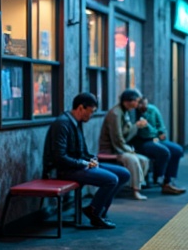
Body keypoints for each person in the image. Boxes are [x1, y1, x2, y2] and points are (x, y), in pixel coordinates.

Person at [43, 92, 130, 229]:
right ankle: (95, 213)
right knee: (111, 179)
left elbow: (83, 151)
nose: (91, 115)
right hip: (65, 169)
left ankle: (99, 211)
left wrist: (92, 159)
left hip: (77, 165)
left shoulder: (76, 123)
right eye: (91, 111)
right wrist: (84, 163)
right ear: (81, 108)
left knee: (124, 173)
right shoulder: (62, 124)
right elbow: (59, 158)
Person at [98, 88, 153, 200]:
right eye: (136, 101)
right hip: (111, 149)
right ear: (128, 101)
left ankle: (134, 186)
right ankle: (135, 191)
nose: (138, 104)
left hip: (119, 146)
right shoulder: (115, 114)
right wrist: (129, 150)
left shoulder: (124, 112)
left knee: (144, 159)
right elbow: (117, 138)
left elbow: (126, 135)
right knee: (133, 160)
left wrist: (136, 126)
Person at [132, 95, 186, 194]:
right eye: (141, 105)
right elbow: (144, 133)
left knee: (177, 150)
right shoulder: (133, 112)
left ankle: (170, 181)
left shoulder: (152, 109)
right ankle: (160, 178)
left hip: (156, 138)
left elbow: (160, 125)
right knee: (164, 152)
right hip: (143, 141)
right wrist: (148, 127)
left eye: (145, 105)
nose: (144, 108)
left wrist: (161, 132)